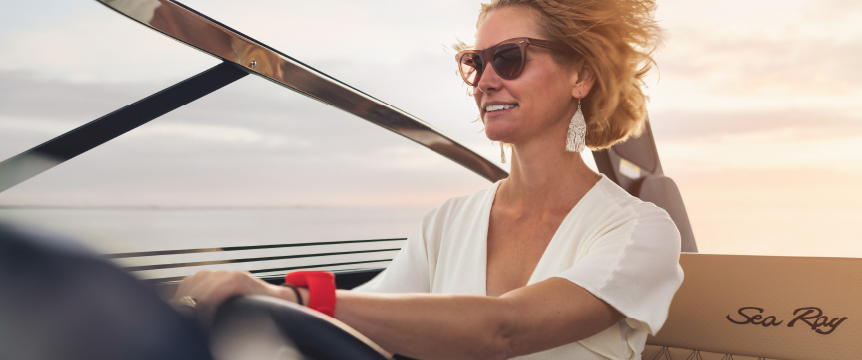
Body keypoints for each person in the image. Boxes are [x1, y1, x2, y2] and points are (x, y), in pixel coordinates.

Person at [173, 0, 683, 358]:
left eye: (510, 57)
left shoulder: (640, 233)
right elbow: (362, 318)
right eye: (474, 63)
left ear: (581, 76)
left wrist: (294, 296)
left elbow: (503, 331)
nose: (485, 80)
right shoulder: (447, 223)